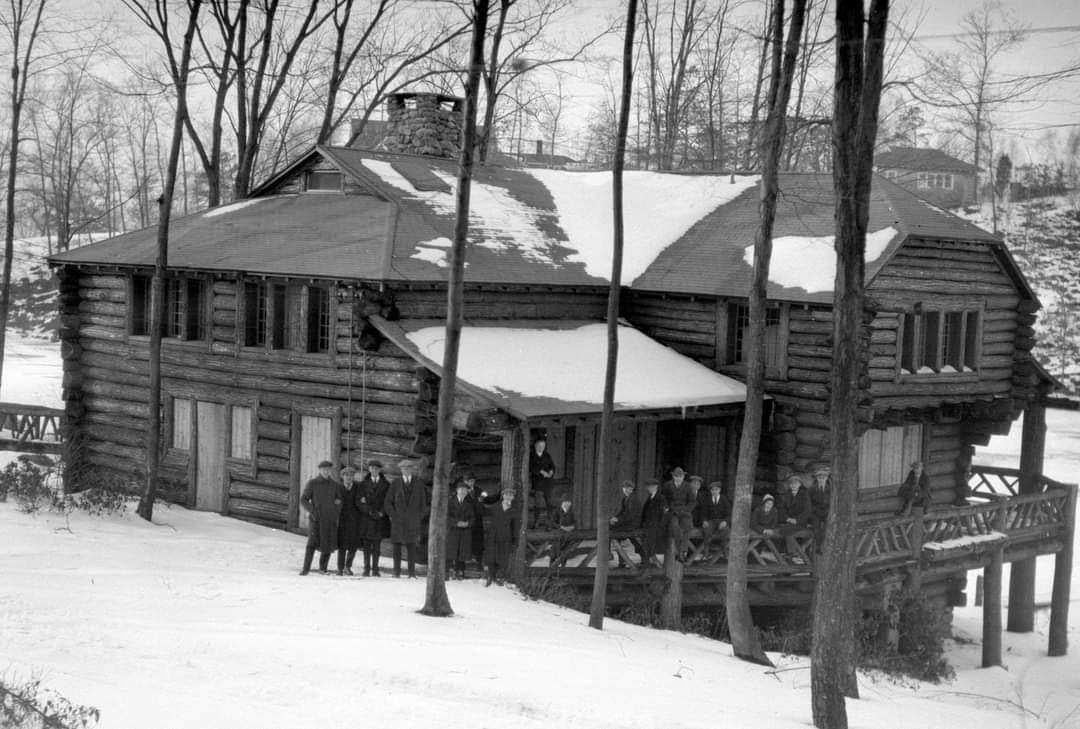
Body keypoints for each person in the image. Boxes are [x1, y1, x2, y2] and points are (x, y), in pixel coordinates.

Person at [299, 460, 344, 575]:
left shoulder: (335, 485)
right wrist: (313, 511)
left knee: (327, 544)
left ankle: (323, 568)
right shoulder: (313, 483)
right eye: (324, 469)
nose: (326, 471)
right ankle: (305, 569)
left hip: (329, 519)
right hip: (316, 519)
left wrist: (335, 511)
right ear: (320, 470)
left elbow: (340, 501)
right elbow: (303, 499)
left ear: (331, 471)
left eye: (328, 469)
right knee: (311, 544)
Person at [387, 458, 428, 578]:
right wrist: (393, 515)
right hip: (398, 521)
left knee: (411, 547)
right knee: (397, 547)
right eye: (404, 468)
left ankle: (411, 573)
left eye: (409, 468)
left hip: (413, 521)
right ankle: (396, 572)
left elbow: (423, 504)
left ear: (412, 470)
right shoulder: (395, 483)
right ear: (400, 470)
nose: (406, 470)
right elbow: (388, 502)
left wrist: (418, 517)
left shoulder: (418, 483)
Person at [357, 459, 389, 577]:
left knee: (377, 546)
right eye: (372, 468)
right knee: (366, 546)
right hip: (367, 518)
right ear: (369, 469)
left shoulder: (386, 485)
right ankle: (366, 569)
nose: (374, 470)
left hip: (380, 519)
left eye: (376, 468)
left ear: (380, 470)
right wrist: (369, 511)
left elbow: (388, 501)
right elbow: (359, 501)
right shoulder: (363, 484)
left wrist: (382, 512)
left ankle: (375, 569)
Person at [484, 486, 520, 586]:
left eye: (511, 495)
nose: (508, 497)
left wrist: (514, 541)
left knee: (502, 558)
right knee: (491, 557)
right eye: (506, 495)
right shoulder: (495, 507)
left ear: (513, 497)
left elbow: (515, 528)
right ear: (503, 496)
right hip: (493, 536)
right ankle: (490, 577)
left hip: (505, 538)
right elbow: (483, 510)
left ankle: (498, 577)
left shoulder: (514, 510)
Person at [778, 475, 812, 564]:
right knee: (783, 529)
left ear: (800, 484)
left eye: (796, 483)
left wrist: (797, 520)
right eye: (791, 484)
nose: (793, 485)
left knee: (786, 530)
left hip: (801, 522)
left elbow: (807, 510)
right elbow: (782, 509)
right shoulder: (787, 495)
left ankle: (793, 554)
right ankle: (790, 554)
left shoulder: (804, 494)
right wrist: (787, 518)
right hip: (789, 521)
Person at [336, 466, 363, 575]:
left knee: (353, 546)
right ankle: (340, 568)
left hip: (354, 521)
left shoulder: (358, 487)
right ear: (342, 477)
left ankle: (348, 566)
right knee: (342, 546)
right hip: (342, 521)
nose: (349, 478)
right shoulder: (338, 487)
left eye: (351, 475)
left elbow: (362, 498)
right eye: (346, 475)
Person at [668, 473, 701, 562]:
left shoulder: (703, 496)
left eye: (697, 484)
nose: (695, 486)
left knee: (689, 532)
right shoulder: (685, 494)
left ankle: (686, 555)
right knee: (679, 530)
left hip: (696, 522)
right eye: (693, 483)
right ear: (689, 485)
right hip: (683, 519)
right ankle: (682, 554)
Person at [446, 480, 475, 580]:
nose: (463, 492)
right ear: (457, 490)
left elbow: (472, 518)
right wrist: (456, 522)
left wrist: (467, 523)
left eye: (465, 490)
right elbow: (447, 516)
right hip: (453, 530)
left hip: (464, 531)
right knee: (450, 550)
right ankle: (447, 570)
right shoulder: (450, 502)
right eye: (461, 489)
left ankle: (460, 571)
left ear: (467, 492)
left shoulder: (469, 504)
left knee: (462, 551)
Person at [639, 478, 669, 567]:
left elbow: (664, 513)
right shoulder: (650, 497)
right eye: (648, 487)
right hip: (648, 525)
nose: (649, 488)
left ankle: (650, 562)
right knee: (645, 542)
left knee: (650, 543)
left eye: (651, 486)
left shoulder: (661, 498)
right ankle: (650, 560)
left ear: (656, 487)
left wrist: (660, 525)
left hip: (656, 526)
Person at [609, 480, 639, 567]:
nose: (626, 490)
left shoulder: (633, 499)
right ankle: (619, 559)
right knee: (611, 527)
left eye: (628, 488)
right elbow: (622, 512)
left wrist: (618, 520)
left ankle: (619, 558)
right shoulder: (625, 498)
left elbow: (630, 516)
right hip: (626, 522)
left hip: (633, 524)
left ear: (632, 489)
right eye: (624, 488)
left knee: (613, 532)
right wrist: (614, 518)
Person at [699, 481, 731, 557]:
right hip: (711, 521)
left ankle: (724, 550)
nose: (714, 491)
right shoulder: (707, 500)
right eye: (712, 490)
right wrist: (704, 521)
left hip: (722, 521)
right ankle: (706, 552)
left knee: (725, 531)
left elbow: (729, 514)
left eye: (716, 489)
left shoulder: (724, 499)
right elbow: (703, 513)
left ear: (719, 490)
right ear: (710, 491)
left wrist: (725, 522)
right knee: (706, 530)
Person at [808, 464, 831, 553]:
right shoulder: (812, 489)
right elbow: (808, 503)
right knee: (816, 528)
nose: (821, 479)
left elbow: (833, 502)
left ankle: (823, 547)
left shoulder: (831, 489)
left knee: (826, 528)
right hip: (815, 512)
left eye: (823, 477)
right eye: (819, 477)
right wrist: (814, 511)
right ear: (816, 478)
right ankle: (817, 547)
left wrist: (829, 511)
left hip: (827, 512)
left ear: (826, 478)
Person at [529, 436, 556, 510]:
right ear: (535, 446)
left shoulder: (546, 455)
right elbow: (531, 467)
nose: (541, 447)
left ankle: (549, 513)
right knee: (538, 501)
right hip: (538, 480)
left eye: (543, 446)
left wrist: (551, 471)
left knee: (549, 498)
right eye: (539, 446)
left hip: (547, 480)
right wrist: (541, 471)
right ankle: (537, 518)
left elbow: (552, 465)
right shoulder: (531, 456)